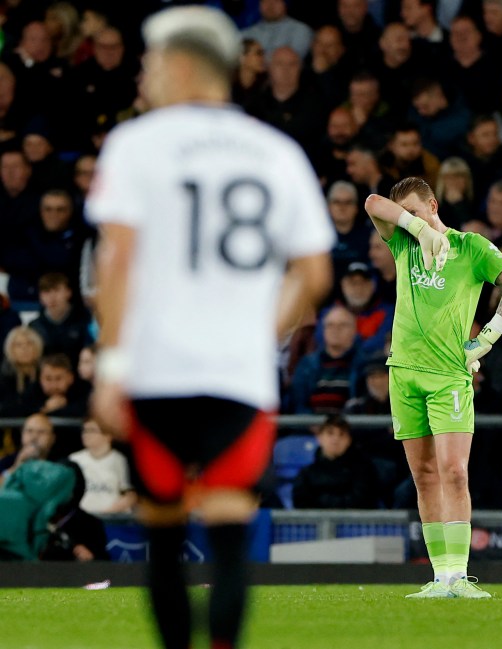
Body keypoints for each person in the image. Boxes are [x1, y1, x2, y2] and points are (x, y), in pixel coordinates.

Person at [86, 8, 334, 649]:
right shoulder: (276, 151)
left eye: (149, 61)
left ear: (182, 64)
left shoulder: (137, 144)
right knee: (228, 541)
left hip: (158, 372)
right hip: (237, 375)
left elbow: (116, 262)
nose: (144, 75)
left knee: (163, 541)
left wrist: (111, 368)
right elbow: (313, 272)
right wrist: (260, 333)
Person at [364, 175, 502, 598]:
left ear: (434, 205)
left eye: (418, 214)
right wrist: (414, 227)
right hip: (402, 373)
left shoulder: (470, 247)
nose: (408, 223)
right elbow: (371, 202)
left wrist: (488, 337)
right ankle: (440, 578)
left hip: (449, 376)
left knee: (454, 472)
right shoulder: (404, 243)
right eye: (405, 218)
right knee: (423, 476)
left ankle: (459, 575)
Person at [291, 414, 380, 509]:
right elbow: (301, 505)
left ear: (349, 440)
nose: (335, 439)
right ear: (319, 438)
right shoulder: (306, 474)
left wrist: (323, 500)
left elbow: (364, 502)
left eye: (341, 434)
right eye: (330, 433)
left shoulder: (364, 470)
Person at [68, 418, 136, 514]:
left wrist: (116, 508)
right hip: (81, 519)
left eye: (92, 430)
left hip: (113, 519)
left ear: (108, 435)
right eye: (84, 430)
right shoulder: (74, 459)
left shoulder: (120, 460)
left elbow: (129, 493)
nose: (85, 434)